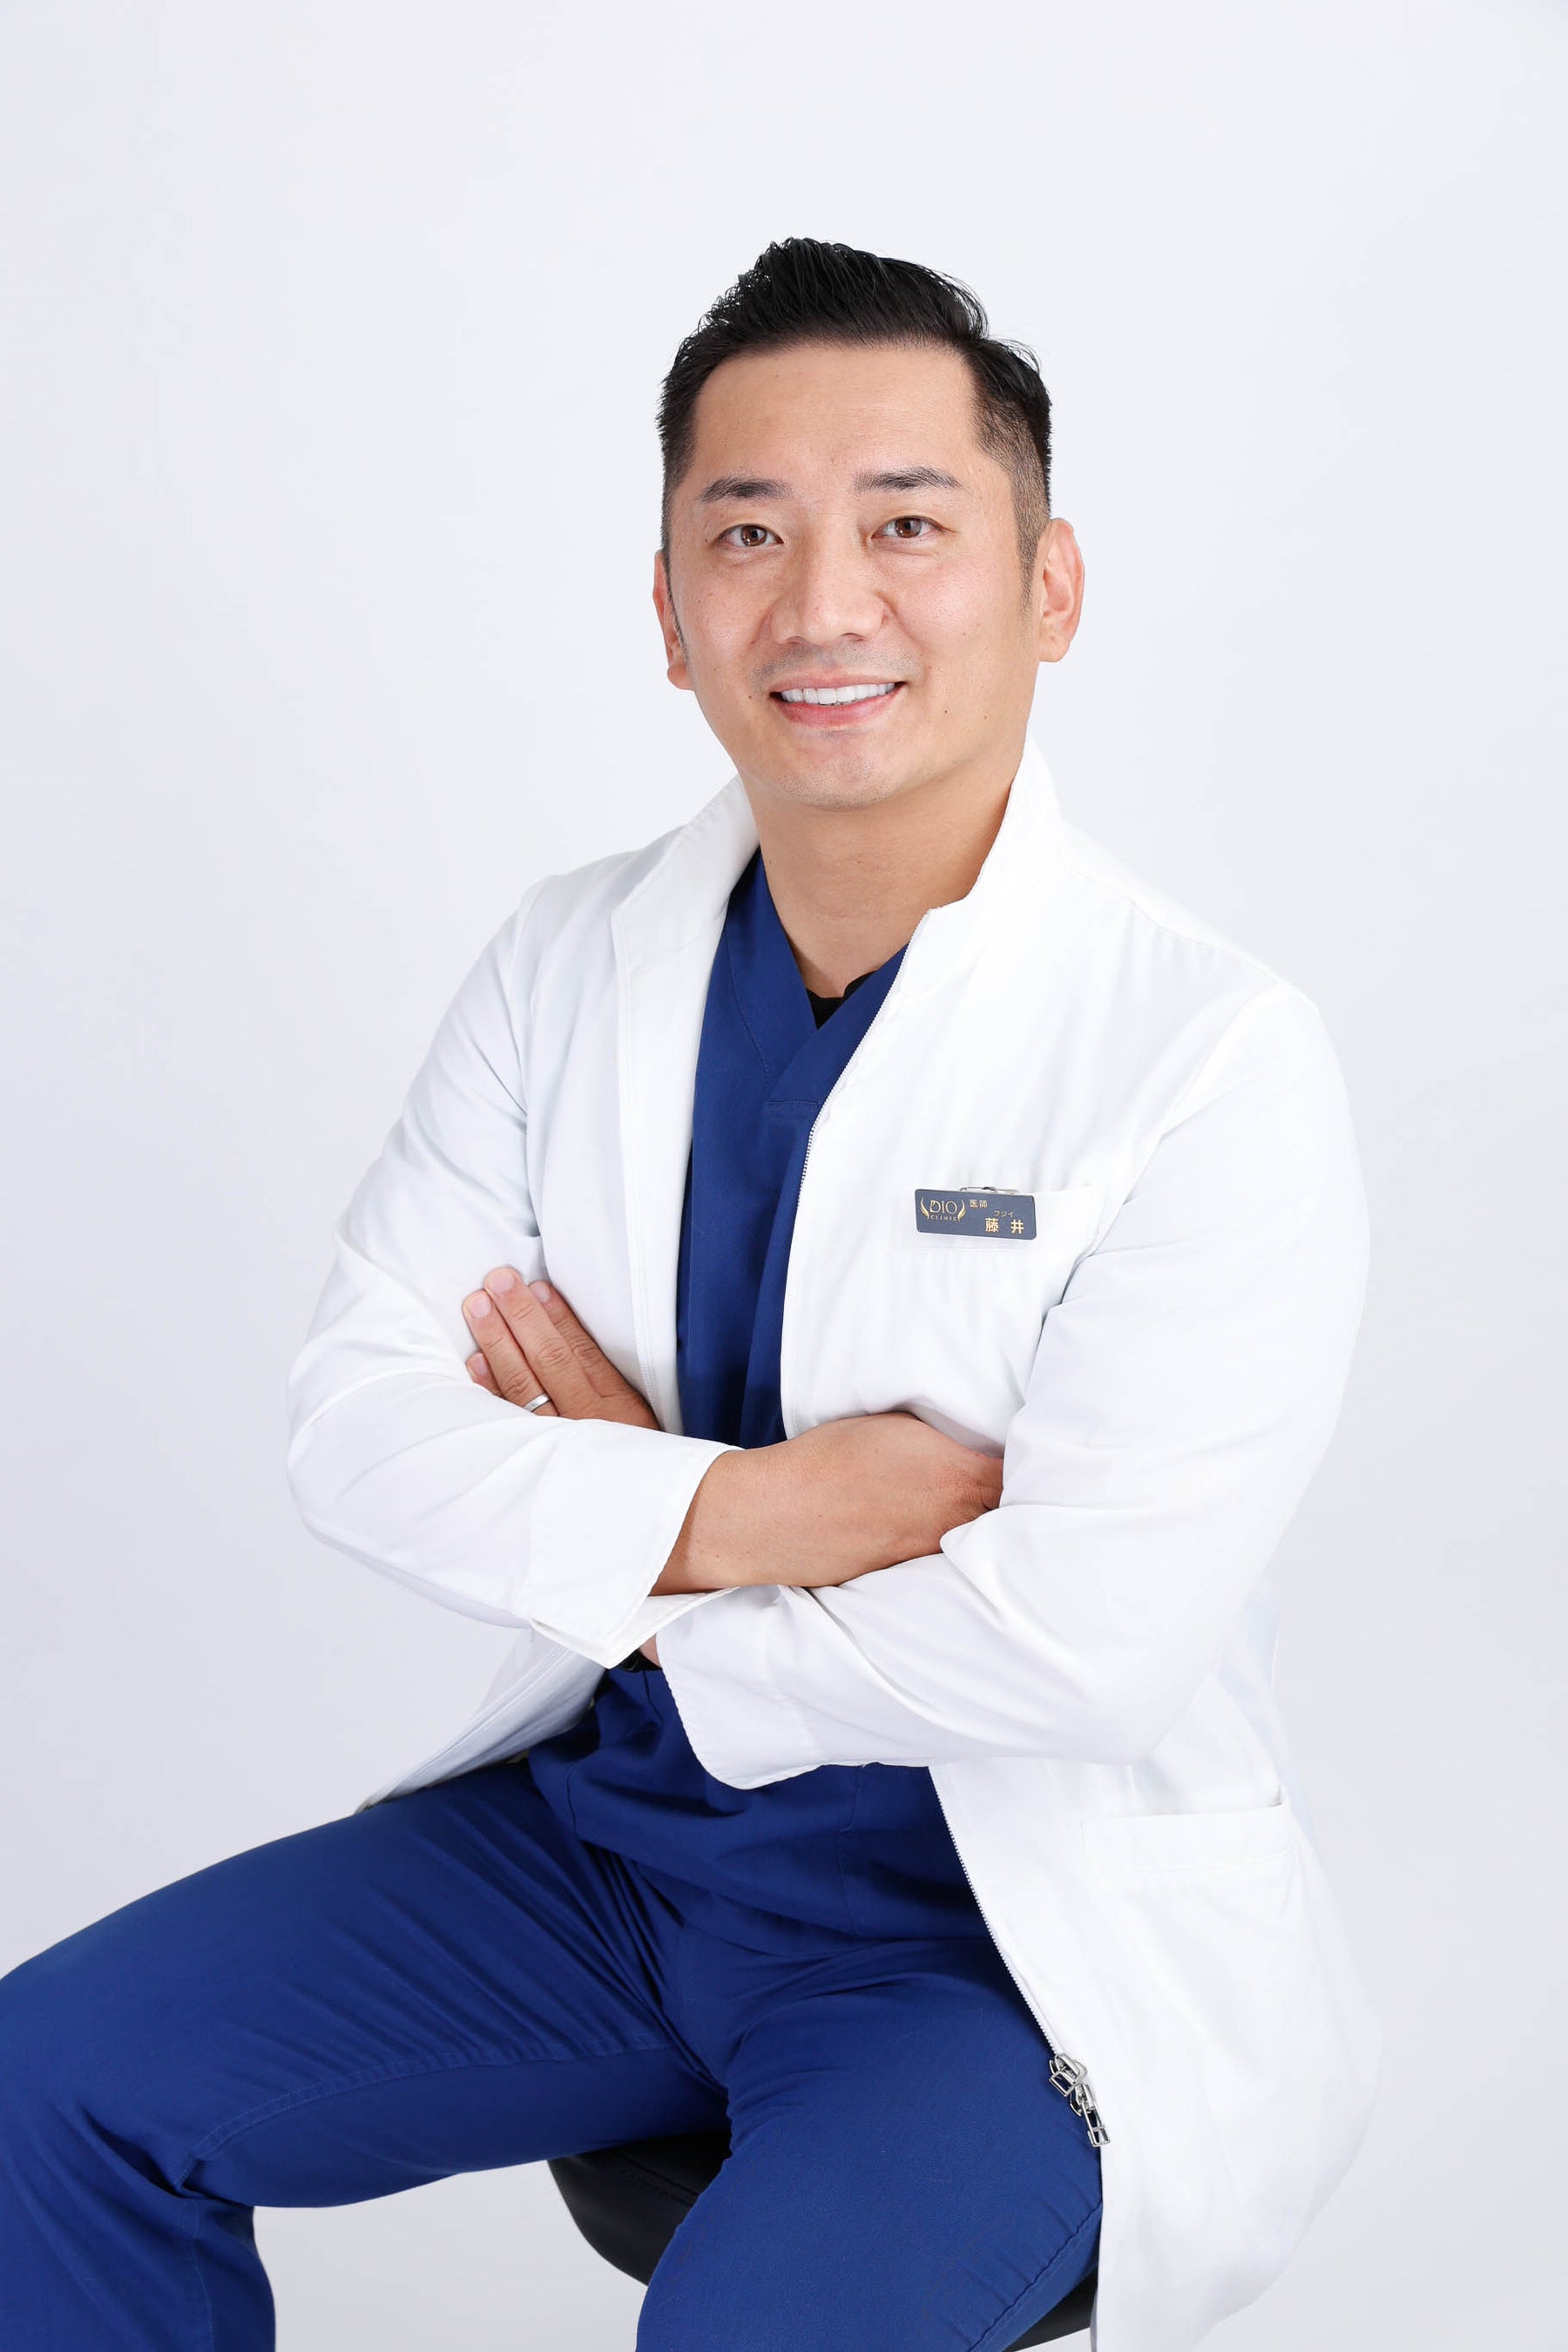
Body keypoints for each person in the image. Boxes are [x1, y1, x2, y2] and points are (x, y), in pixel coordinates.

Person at [0, 237, 1379, 2352]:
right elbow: (357, 1429)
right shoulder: (569, 963)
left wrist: (641, 1555)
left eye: (906, 525)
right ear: (667, 610)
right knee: (50, 2089)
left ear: (1051, 586)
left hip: (996, 1951)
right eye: (748, 534)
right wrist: (763, 1508)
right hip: (609, 1858)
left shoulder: (1203, 1058)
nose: (822, 605)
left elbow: (1085, 1655)